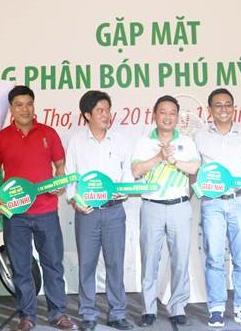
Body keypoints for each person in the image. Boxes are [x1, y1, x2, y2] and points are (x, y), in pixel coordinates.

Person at [0, 86, 77, 331]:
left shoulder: (48, 133)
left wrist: (59, 181)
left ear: (34, 106)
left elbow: (60, 165)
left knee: (53, 264)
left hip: (46, 211)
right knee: (21, 267)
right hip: (15, 214)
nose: (25, 109)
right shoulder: (1, 139)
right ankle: (27, 316)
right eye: (19, 104)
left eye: (29, 104)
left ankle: (58, 313)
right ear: (11, 108)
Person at [65, 90, 134, 331]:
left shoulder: (121, 141)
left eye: (108, 110)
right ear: (87, 115)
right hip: (88, 213)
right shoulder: (76, 142)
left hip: (114, 211)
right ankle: (88, 314)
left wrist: (122, 191)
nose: (106, 115)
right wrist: (74, 200)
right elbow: (70, 176)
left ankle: (117, 313)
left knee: (115, 263)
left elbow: (127, 173)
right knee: (87, 264)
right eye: (100, 111)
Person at [131, 95, 200, 327]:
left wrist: (173, 161)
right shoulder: (144, 142)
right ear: (155, 115)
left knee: (180, 259)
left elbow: (195, 168)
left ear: (177, 117)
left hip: (179, 206)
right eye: (163, 112)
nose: (168, 117)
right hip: (152, 206)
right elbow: (136, 170)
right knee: (149, 259)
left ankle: (178, 306)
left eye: (172, 113)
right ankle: (148, 308)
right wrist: (159, 157)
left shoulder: (186, 142)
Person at [194, 88, 241, 328]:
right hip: (212, 203)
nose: (223, 109)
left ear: (234, 108)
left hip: (239, 202)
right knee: (214, 257)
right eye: (218, 105)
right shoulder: (200, 137)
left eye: (228, 104)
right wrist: (203, 187)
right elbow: (195, 171)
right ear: (209, 110)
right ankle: (216, 309)